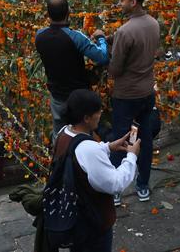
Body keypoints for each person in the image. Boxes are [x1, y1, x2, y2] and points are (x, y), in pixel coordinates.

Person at [50, 89, 140, 252]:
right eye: (97, 112)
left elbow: (78, 155)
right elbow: (115, 183)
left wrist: (108, 147)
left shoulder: (64, 133)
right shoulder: (89, 149)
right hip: (92, 223)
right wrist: (131, 157)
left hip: (74, 217)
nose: (100, 114)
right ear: (86, 118)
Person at [106, 0, 161, 204]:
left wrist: (104, 47)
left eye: (122, 0)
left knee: (121, 138)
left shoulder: (125, 31)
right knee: (145, 137)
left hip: (126, 94)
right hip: (147, 91)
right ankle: (143, 186)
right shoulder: (153, 23)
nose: (120, 3)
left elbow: (115, 69)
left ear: (133, 2)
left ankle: (117, 189)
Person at [36, 0, 109, 137]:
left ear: (47, 14)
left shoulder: (39, 35)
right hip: (79, 96)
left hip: (57, 95)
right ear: (68, 12)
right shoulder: (76, 37)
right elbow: (102, 57)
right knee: (83, 132)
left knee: (60, 134)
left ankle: (61, 157)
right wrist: (101, 38)